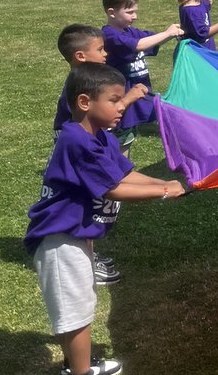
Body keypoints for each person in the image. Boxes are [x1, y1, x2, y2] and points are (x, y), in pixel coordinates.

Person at [24, 63, 186, 375]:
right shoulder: (75, 139)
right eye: (114, 100)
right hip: (58, 240)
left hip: (75, 236)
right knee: (76, 313)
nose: (121, 107)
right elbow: (112, 188)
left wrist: (171, 183)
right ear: (84, 101)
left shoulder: (98, 136)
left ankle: (76, 368)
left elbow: (125, 172)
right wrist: (164, 191)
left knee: (82, 305)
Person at [53, 24, 151, 284]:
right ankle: (85, 259)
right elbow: (99, 114)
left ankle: (88, 253)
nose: (106, 53)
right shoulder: (80, 90)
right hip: (82, 151)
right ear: (80, 57)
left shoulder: (85, 83)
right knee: (87, 205)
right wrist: (128, 98)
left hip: (87, 147)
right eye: (100, 49)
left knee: (92, 203)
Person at [101, 0, 183, 150]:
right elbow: (139, 45)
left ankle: (119, 170)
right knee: (120, 138)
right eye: (130, 12)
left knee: (128, 136)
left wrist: (174, 34)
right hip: (123, 96)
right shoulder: (110, 35)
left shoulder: (129, 31)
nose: (135, 16)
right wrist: (167, 33)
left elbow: (151, 38)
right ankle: (115, 171)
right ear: (111, 12)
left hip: (137, 95)